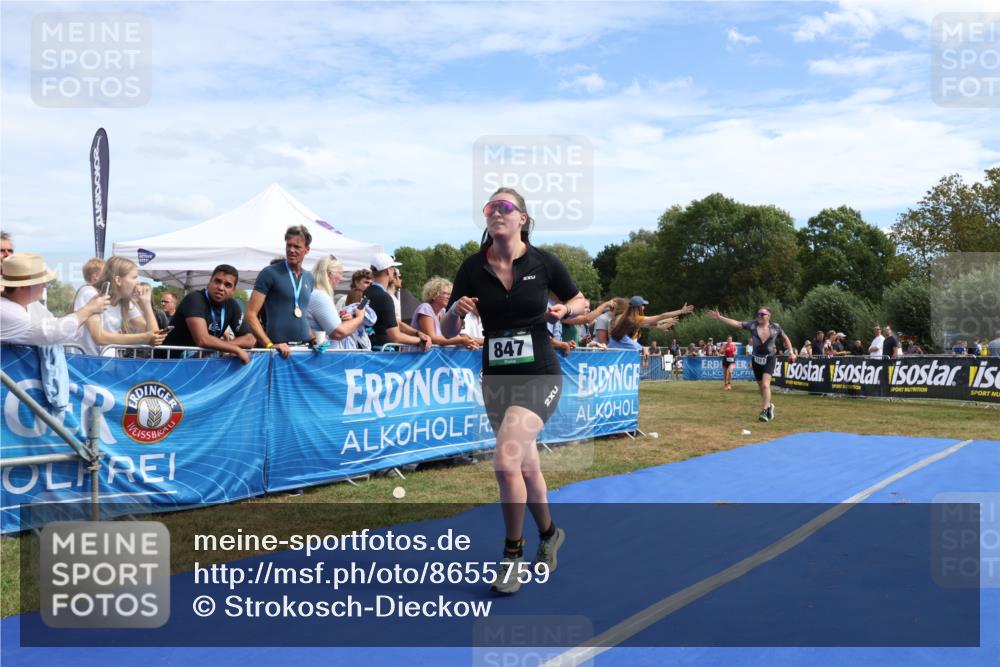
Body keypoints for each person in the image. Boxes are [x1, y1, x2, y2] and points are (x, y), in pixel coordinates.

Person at [441, 187, 587, 595]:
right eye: (490, 208)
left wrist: (566, 310)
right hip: (497, 379)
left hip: (540, 374)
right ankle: (550, 533)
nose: (495, 213)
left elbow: (580, 299)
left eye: (504, 207)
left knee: (505, 464)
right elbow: (448, 331)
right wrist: (455, 313)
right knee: (526, 468)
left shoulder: (543, 262)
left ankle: (512, 555)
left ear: (522, 217)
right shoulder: (472, 268)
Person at [709, 306, 796, 422]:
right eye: (758, 314)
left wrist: (791, 352)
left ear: (769, 316)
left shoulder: (776, 327)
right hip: (756, 359)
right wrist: (720, 318)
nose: (759, 316)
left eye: (762, 314)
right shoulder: (752, 325)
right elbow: (737, 323)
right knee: (760, 386)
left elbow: (785, 339)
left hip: (769, 358)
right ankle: (769, 406)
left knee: (765, 385)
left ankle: (764, 411)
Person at [1, 253, 110, 345]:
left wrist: (88, 309)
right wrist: (89, 309)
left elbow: (57, 325)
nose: (45, 285)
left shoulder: (31, 305)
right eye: (41, 282)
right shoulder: (5, 310)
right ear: (23, 286)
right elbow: (51, 333)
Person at [162, 264, 257, 363]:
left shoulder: (231, 305)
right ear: (210, 281)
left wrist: (228, 346)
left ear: (233, 290)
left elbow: (250, 339)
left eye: (227, 285)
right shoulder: (195, 299)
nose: (221, 287)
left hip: (195, 364)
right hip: (167, 363)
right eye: (217, 281)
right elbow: (202, 339)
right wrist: (235, 349)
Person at [73, 256, 167, 355]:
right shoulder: (90, 293)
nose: (138, 282)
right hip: (82, 362)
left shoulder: (125, 302)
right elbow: (99, 337)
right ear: (118, 280)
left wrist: (146, 304)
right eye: (134, 277)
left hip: (105, 363)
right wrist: (144, 338)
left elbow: (154, 336)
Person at [246, 225, 316, 359]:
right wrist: (270, 345)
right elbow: (250, 315)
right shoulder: (270, 273)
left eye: (297, 247)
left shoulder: (309, 278)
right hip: (277, 352)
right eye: (288, 245)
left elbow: (301, 315)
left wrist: (314, 339)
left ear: (307, 250)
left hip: (303, 351)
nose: (291, 250)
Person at [364, 252, 431, 351]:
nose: (394, 272)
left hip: (370, 350)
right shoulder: (385, 297)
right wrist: (419, 341)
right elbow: (396, 336)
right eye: (393, 269)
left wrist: (417, 333)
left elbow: (394, 323)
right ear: (388, 271)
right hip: (383, 353)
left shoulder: (367, 291)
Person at [307, 254, 366, 348]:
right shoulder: (320, 296)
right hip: (325, 357)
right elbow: (338, 333)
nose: (341, 278)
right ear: (330, 274)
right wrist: (359, 317)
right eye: (340, 273)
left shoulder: (313, 293)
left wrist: (339, 319)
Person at [411, 277, 477, 348]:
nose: (449, 297)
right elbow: (432, 338)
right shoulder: (425, 308)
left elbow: (454, 336)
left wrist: (468, 343)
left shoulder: (443, 311)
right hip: (420, 357)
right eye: (445, 293)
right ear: (433, 294)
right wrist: (461, 341)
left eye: (450, 294)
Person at [608, 296, 690, 353]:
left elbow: (649, 324)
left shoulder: (628, 317)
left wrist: (661, 325)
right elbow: (660, 316)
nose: (644, 307)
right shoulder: (635, 318)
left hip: (616, 343)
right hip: (620, 343)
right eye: (642, 305)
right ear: (638, 307)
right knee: (644, 349)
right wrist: (681, 311)